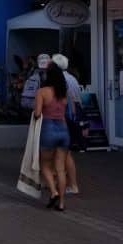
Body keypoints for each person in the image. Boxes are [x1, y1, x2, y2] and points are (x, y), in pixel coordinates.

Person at [34, 58, 70, 211]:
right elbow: (64, 113)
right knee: (60, 169)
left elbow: (37, 113)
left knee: (45, 166)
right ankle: (61, 203)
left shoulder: (42, 92)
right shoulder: (63, 94)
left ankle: (53, 192)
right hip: (63, 130)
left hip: (48, 130)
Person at [52, 52, 82, 195]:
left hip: (64, 118)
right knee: (62, 153)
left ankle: (72, 184)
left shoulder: (59, 80)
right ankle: (59, 180)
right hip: (72, 119)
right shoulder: (72, 79)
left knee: (65, 153)